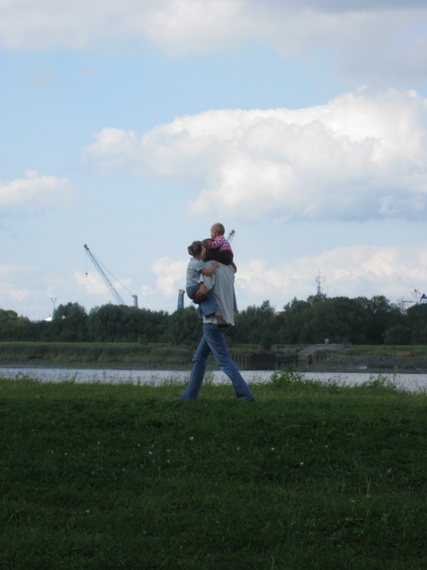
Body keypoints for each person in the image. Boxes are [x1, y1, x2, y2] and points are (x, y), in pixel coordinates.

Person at [180, 258, 255, 401]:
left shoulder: (209, 267)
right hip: (225, 319)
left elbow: (202, 292)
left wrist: (195, 299)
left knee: (223, 360)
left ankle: (246, 395)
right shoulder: (228, 268)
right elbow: (234, 266)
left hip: (212, 320)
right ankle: (189, 396)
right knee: (199, 357)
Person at [186, 240, 228, 325]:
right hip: (194, 287)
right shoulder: (198, 263)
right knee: (209, 296)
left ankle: (200, 311)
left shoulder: (192, 261)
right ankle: (218, 316)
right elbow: (207, 273)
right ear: (202, 252)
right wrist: (214, 266)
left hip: (190, 288)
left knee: (205, 299)